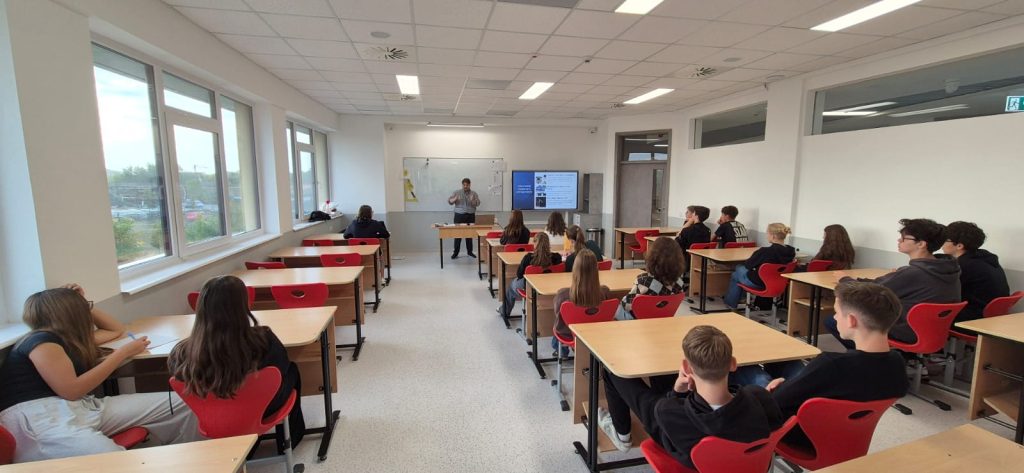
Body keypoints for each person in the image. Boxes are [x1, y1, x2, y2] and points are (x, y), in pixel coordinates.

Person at [0, 285, 200, 462]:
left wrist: (84, 302)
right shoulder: (41, 343)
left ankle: (194, 461)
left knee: (186, 403)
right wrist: (122, 353)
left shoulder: (67, 338)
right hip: (41, 419)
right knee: (114, 460)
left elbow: (116, 329)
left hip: (79, 407)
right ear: (73, 314)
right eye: (83, 308)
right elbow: (72, 390)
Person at [597, 325, 785, 469]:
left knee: (614, 372)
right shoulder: (759, 397)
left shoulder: (668, 411)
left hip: (685, 452)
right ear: (733, 364)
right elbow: (775, 422)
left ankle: (622, 435)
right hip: (739, 463)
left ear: (686, 368)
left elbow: (665, 411)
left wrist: (676, 392)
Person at [767, 281, 909, 449]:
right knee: (789, 367)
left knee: (757, 378)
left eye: (836, 312)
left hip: (801, 436)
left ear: (851, 320)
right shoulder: (897, 363)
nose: (834, 318)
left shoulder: (832, 364)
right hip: (850, 437)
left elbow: (776, 401)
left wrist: (776, 388)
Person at [168, 275, 305, 448]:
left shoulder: (182, 352)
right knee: (292, 370)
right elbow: (280, 369)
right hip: (260, 409)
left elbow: (182, 379)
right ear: (243, 305)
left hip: (214, 415)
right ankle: (289, 439)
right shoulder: (263, 340)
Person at [826, 218, 960, 348]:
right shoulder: (948, 269)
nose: (899, 240)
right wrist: (860, 280)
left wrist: (845, 279)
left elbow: (869, 291)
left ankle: (869, 356)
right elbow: (880, 285)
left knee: (834, 321)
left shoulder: (913, 273)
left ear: (921, 244)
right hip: (932, 331)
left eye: (904, 238)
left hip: (906, 330)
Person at [942, 221, 1009, 325]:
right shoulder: (985, 259)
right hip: (991, 316)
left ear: (959, 246)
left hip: (975, 318)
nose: (942, 243)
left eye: (945, 240)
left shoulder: (963, 266)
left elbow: (943, 293)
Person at [551, 249, 610, 357]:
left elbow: (558, 314)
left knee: (557, 328)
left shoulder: (562, 295)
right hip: (595, 333)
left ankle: (562, 351)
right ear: (596, 269)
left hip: (569, 334)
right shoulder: (604, 292)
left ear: (575, 269)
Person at [724, 223, 796, 310]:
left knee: (737, 270)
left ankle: (732, 304)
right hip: (779, 284)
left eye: (767, 233)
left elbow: (748, 265)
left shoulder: (765, 251)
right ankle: (740, 299)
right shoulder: (791, 252)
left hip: (758, 283)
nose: (766, 235)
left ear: (773, 236)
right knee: (739, 271)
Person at [618, 237, 686, 320]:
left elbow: (626, 305)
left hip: (638, 321)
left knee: (615, 308)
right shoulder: (680, 283)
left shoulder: (643, 280)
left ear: (652, 257)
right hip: (663, 318)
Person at [498, 233, 562, 321]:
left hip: (529, 287)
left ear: (535, 243)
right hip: (548, 287)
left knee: (512, 285)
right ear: (548, 244)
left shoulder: (528, 258)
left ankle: (504, 311)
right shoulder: (557, 257)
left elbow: (519, 274)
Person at [674, 205, 712, 279]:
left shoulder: (687, 230)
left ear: (696, 216)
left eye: (693, 213)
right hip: (702, 259)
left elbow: (677, 243)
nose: (692, 215)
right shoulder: (708, 230)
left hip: (686, 259)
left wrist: (684, 227)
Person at [447, 177, 480, 259]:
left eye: (467, 185)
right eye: (464, 185)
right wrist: (454, 199)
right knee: (457, 234)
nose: (465, 186)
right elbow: (450, 202)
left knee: (469, 234)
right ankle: (455, 253)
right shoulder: (456, 192)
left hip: (470, 216)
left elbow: (478, 203)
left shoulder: (474, 193)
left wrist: (472, 201)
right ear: (462, 185)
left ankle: (470, 252)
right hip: (459, 215)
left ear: (470, 185)